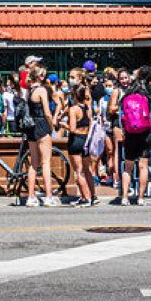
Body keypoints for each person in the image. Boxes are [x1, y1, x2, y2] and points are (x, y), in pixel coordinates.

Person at [115, 65, 151, 206]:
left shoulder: (126, 96)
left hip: (130, 134)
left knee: (128, 167)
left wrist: (124, 131)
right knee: (143, 166)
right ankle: (140, 198)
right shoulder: (147, 96)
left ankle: (124, 197)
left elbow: (121, 118)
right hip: (145, 133)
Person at [23, 63, 59, 207]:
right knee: (45, 162)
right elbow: (47, 112)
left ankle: (30, 196)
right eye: (42, 74)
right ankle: (48, 196)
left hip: (31, 126)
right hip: (42, 124)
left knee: (33, 163)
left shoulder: (29, 90)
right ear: (39, 76)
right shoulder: (42, 90)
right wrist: (51, 126)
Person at [65, 83, 97, 206]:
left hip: (76, 140)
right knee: (87, 170)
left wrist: (63, 125)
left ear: (74, 95)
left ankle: (86, 197)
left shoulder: (73, 109)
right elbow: (90, 123)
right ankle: (92, 196)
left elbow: (72, 129)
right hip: (86, 139)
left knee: (78, 172)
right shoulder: (88, 108)